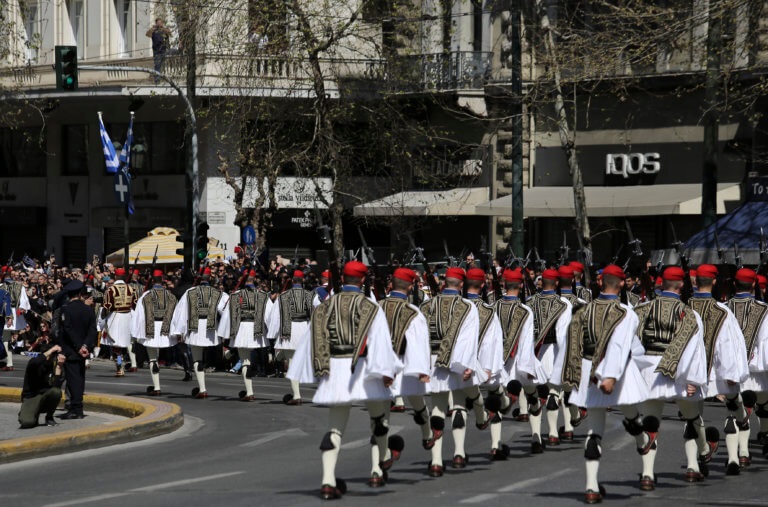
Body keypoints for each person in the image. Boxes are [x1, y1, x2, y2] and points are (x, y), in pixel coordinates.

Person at [286, 260, 399, 498]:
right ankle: (380, 464)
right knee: (378, 417)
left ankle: (328, 481)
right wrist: (388, 371)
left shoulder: (325, 306)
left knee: (335, 428)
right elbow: (380, 341)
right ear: (361, 280)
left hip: (336, 370)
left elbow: (313, 340)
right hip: (364, 370)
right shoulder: (370, 306)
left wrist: (317, 370)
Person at [562, 264, 649, 504]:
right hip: (615, 373)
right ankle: (644, 447)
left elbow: (573, 345)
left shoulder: (582, 310)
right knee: (632, 416)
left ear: (601, 282)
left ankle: (591, 487)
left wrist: (575, 376)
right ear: (621, 284)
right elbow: (620, 347)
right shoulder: (625, 312)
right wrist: (610, 375)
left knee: (594, 430)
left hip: (589, 371)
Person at [632, 266, 710, 486]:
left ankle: (647, 474)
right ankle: (694, 465)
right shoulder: (690, 314)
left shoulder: (642, 309)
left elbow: (633, 342)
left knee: (650, 423)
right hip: (678, 372)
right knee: (692, 418)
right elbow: (694, 349)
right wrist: (693, 379)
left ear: (661, 284)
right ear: (682, 285)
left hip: (649, 371)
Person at [419, 267, 487, 477]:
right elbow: (468, 340)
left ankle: (437, 462)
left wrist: (421, 366)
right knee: (458, 405)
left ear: (444, 283)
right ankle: (458, 453)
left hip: (433, 362)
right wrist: (466, 366)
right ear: (461, 285)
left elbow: (420, 338)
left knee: (437, 409)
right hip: (456, 362)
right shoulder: (468, 307)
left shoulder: (426, 306)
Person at [688, 264, 749, 475]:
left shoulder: (684, 308)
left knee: (692, 415)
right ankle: (733, 458)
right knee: (732, 410)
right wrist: (731, 375)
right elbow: (726, 346)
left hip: (690, 372)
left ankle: (692, 465)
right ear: (714, 282)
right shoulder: (723, 311)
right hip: (716, 372)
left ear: (695, 281)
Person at [379, 268, 434, 453]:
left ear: (391, 285)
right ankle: (427, 434)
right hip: (405, 363)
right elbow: (418, 343)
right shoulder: (413, 312)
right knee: (418, 403)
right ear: (411, 287)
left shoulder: (376, 306)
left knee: (382, 410)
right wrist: (422, 369)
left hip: (382, 363)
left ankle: (383, 453)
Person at [493, 268, 546, 455]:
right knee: (533, 399)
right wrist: (528, 368)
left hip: (499, 362)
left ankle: (495, 445)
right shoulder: (525, 311)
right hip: (520, 362)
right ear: (521, 285)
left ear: (504, 285)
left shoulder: (494, 307)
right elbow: (525, 343)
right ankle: (536, 438)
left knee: (497, 402)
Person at [527, 268, 573, 449]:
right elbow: (562, 335)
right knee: (554, 393)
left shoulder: (530, 302)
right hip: (554, 352)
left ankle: (536, 434)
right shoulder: (563, 304)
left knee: (535, 395)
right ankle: (553, 433)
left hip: (534, 352)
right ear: (556, 284)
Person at [726, 268, 768, 465]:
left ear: (735, 284)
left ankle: (740, 454)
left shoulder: (724, 307)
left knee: (737, 411)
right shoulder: (764, 309)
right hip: (755, 369)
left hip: (732, 369)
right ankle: (764, 433)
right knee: (762, 404)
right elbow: (765, 341)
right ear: (753, 285)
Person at [170, 267, 230, 398]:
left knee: (197, 359)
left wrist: (179, 331)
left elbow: (181, 313)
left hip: (195, 328)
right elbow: (227, 311)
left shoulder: (189, 293)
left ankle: (202, 389)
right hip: (211, 329)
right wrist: (226, 330)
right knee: (206, 356)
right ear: (210, 279)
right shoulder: (218, 293)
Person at [464, 267, 504, 459]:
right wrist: (488, 368)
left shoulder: (457, 306)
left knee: (458, 407)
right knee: (494, 399)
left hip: (456, 365)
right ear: (482, 286)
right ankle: (495, 445)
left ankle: (457, 453)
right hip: (479, 364)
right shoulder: (488, 311)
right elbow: (491, 341)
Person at [222, 269, 273, 400]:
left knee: (245, 361)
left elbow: (227, 316)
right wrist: (272, 333)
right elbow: (270, 316)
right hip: (258, 330)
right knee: (248, 361)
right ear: (254, 280)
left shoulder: (235, 295)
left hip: (241, 329)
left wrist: (225, 336)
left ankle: (249, 392)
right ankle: (248, 391)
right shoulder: (263, 295)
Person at [270, 270, 315, 405]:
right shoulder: (311, 295)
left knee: (291, 363)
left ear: (292, 281)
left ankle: (297, 395)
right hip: (305, 329)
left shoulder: (283, 296)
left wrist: (272, 335)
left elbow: (275, 317)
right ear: (303, 281)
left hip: (289, 331)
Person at [132, 269, 179, 396]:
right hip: (166, 330)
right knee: (158, 358)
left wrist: (136, 333)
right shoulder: (171, 296)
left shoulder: (145, 295)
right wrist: (177, 332)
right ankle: (156, 386)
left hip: (150, 330)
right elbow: (176, 316)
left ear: (152, 280)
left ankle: (157, 387)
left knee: (153, 359)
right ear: (162, 280)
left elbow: (139, 316)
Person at [56, 280, 97, 420]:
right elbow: (92, 330)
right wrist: (85, 346)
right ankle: (77, 407)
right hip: (83, 350)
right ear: (80, 294)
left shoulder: (66, 309)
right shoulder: (89, 310)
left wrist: (79, 346)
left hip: (71, 350)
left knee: (73, 380)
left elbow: (67, 330)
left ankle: (76, 409)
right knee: (80, 378)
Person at [100, 267, 137, 376]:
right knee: (127, 343)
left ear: (115, 276)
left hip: (116, 318)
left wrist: (103, 317)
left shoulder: (111, 289)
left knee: (116, 347)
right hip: (128, 317)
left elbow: (106, 306)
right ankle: (129, 363)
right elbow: (135, 305)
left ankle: (120, 366)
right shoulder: (131, 288)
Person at [19, 342, 65, 428]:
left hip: (45, 395)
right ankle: (30, 413)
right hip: (31, 397)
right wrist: (51, 350)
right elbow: (35, 362)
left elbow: (57, 388)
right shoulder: (34, 363)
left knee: (56, 392)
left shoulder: (56, 366)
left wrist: (59, 367)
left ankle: (49, 417)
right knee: (27, 423)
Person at [1, 267, 32, 371]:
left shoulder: (20, 286)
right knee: (5, 338)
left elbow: (23, 298)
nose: (14, 276)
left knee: (6, 337)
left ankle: (9, 362)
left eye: (16, 274)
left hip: (14, 313)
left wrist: (22, 307)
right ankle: (9, 362)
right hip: (4, 313)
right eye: (12, 274)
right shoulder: (2, 286)